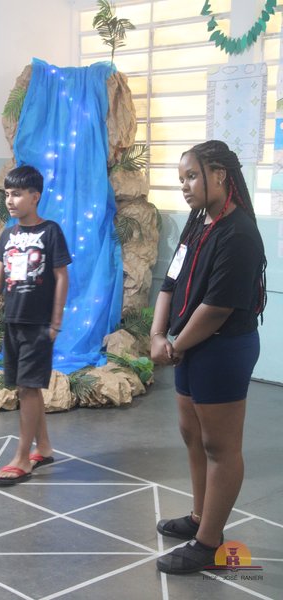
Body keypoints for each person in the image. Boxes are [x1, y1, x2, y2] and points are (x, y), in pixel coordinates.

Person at [150, 140, 267, 575]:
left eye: (192, 176)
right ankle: (199, 516)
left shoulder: (239, 234)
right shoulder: (197, 224)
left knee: (220, 446)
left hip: (222, 350)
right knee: (193, 436)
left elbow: (217, 309)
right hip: (188, 347)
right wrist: (157, 334)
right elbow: (169, 283)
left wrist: (175, 345)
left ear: (219, 175)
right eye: (181, 178)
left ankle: (209, 542)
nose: (185, 185)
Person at [0, 165, 71, 485]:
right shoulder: (8, 235)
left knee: (28, 388)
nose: (10, 201)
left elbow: (61, 277)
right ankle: (45, 447)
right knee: (27, 387)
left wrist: (55, 321)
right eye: (7, 195)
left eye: (16, 194)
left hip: (38, 325)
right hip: (13, 323)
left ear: (35, 197)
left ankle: (22, 458)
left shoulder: (50, 232)